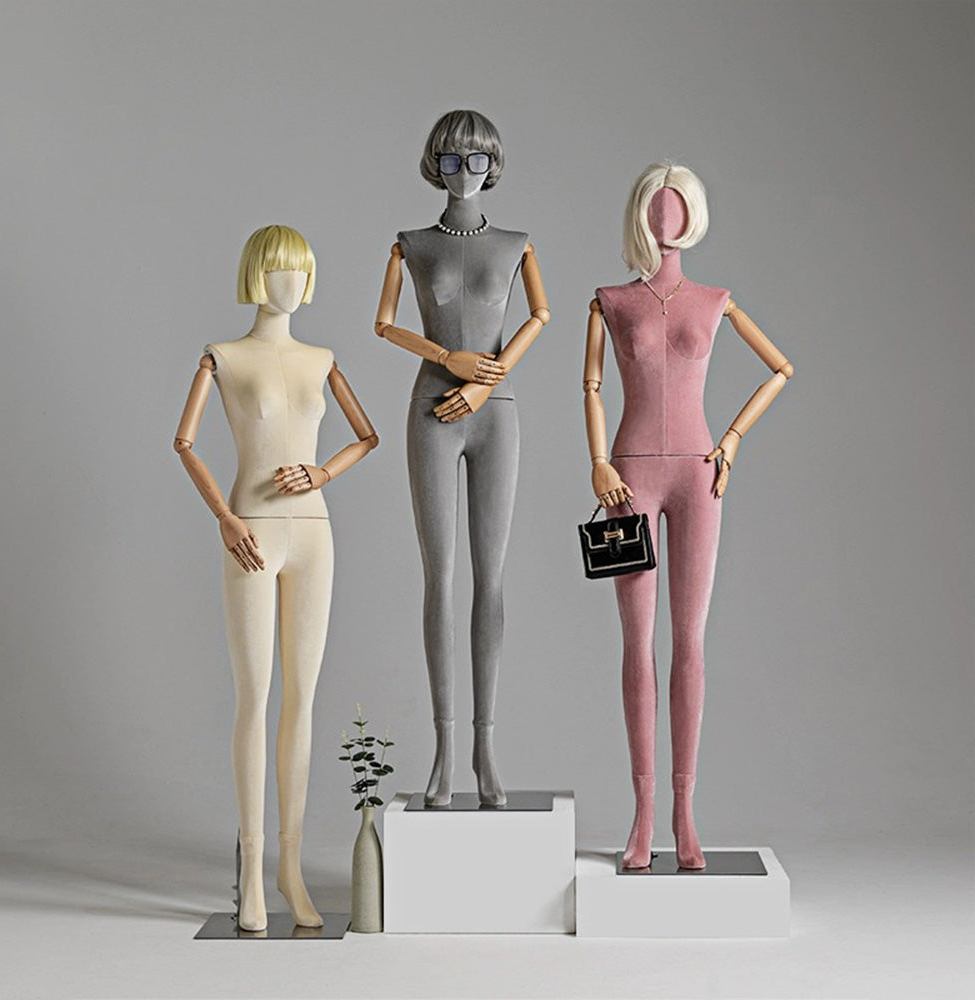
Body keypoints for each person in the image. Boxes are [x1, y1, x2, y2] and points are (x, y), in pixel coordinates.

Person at [583, 163, 794, 868]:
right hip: (629, 479)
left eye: (676, 205)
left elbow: (780, 368)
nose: (665, 217)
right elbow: (591, 386)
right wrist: (597, 462)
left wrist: (731, 439)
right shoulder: (611, 301)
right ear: (640, 213)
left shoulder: (714, 301)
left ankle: (685, 811)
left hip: (699, 474)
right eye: (655, 204)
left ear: (693, 214)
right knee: (636, 642)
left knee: (690, 641)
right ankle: (643, 813)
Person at [174, 225, 378, 929]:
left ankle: (292, 868)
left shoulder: (323, 360)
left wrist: (323, 472)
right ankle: (253, 870)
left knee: (304, 699)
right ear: (256, 275)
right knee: (255, 695)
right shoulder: (223, 356)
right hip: (253, 532)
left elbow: (367, 435)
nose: (291, 283)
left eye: (301, 271)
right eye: (279, 270)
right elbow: (184, 441)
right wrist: (225, 518)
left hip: (314, 534)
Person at [374, 110, 550, 806]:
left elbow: (540, 316)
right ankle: (445, 751)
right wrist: (448, 358)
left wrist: (484, 382)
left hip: (494, 413)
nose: (464, 172)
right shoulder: (411, 245)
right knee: (439, 577)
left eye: (476, 161)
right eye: (451, 160)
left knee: (491, 578)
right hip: (431, 410)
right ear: (435, 166)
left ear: (493, 165)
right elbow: (384, 323)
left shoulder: (517, 245)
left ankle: (486, 749)